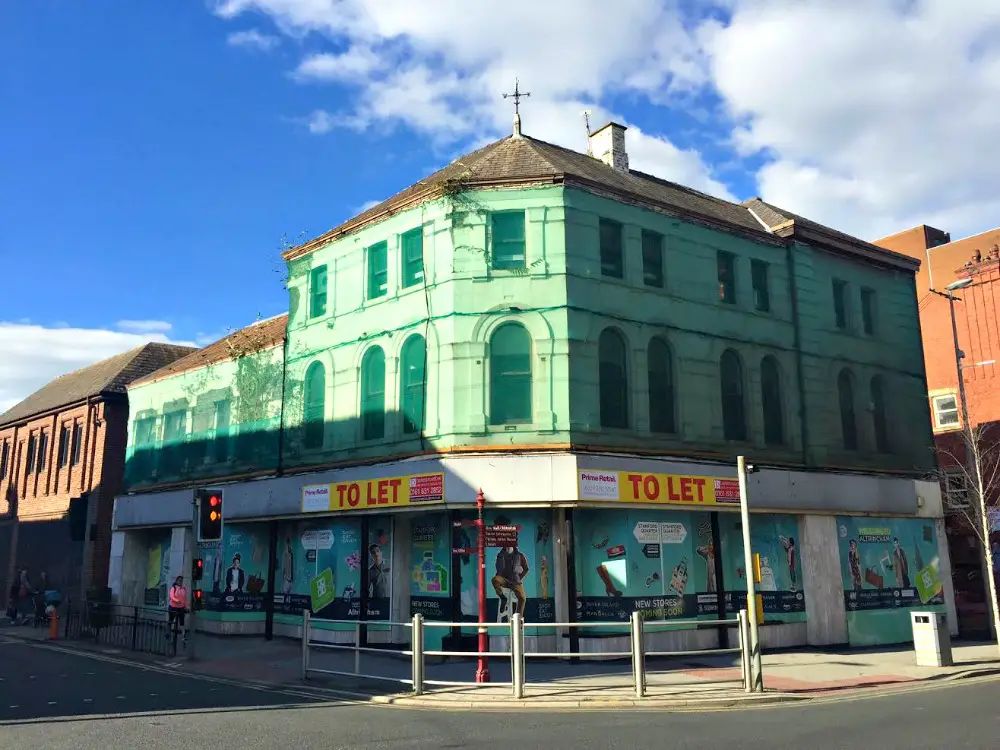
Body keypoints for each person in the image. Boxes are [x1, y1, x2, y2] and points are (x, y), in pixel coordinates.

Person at [492, 546, 529, 618]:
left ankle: (518, 618)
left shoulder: (520, 555)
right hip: (504, 580)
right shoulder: (500, 555)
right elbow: (497, 567)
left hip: (515, 581)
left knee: (523, 598)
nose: (508, 546)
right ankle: (503, 598)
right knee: (494, 579)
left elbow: (526, 568)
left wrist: (519, 577)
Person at [167, 575, 188, 642]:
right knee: (171, 620)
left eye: (181, 580)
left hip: (181, 607)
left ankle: (183, 636)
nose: (180, 582)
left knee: (182, 621)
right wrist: (177, 600)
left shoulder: (183, 589)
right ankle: (168, 634)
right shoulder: (173, 588)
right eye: (179, 580)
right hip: (173, 607)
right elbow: (171, 596)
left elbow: (185, 599)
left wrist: (186, 606)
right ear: (176, 581)